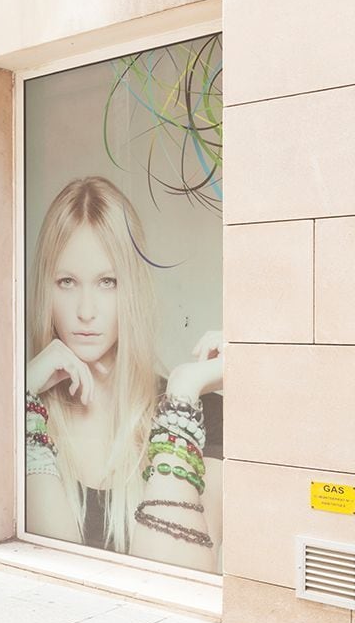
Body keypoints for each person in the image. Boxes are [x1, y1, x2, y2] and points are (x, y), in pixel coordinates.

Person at [24, 176, 223, 573]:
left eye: (107, 282)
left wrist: (183, 397)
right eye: (67, 282)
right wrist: (24, 396)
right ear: (46, 290)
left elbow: (178, 581)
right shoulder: (22, 413)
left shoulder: (201, 416)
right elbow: (50, 579)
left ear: (131, 289)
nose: (85, 310)